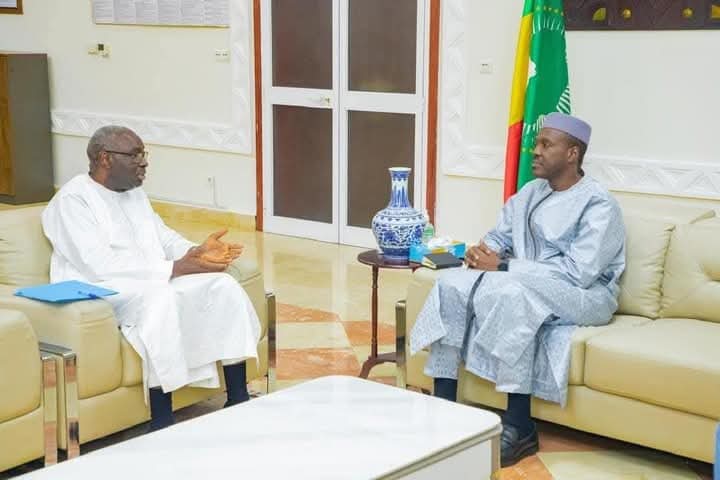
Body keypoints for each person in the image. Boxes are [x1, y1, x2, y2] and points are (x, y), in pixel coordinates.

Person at [409, 113, 626, 467]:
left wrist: (506, 266)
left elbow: (580, 272)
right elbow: (500, 236)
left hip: (587, 297)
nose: (534, 151)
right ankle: (444, 404)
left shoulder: (598, 204)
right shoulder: (530, 192)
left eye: (545, 144)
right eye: (536, 143)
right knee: (451, 284)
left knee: (513, 295)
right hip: (522, 280)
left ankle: (519, 424)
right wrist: (482, 251)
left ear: (572, 153)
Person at [42, 126, 261, 431]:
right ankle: (162, 420)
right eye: (134, 155)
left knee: (221, 286)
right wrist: (174, 268)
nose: (144, 162)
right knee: (159, 299)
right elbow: (97, 264)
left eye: (143, 154)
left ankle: (237, 398)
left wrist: (197, 253)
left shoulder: (134, 194)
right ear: (105, 158)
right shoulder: (73, 200)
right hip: (99, 289)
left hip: (153, 277)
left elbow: (163, 238)